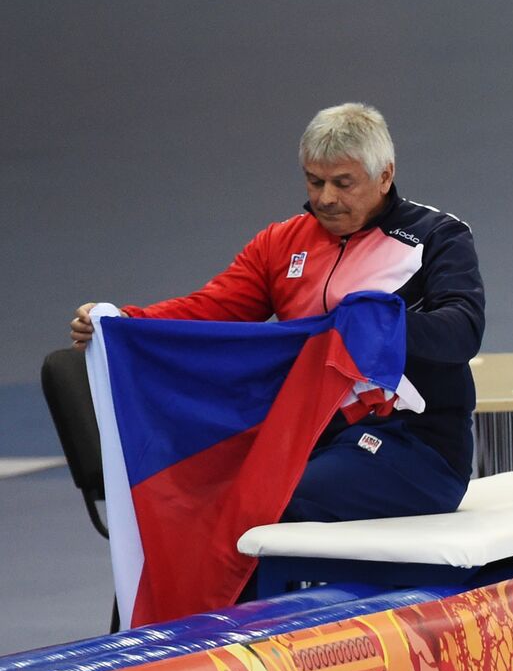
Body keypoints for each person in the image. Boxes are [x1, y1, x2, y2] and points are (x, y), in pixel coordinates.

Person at [70, 102, 485, 529]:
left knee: (270, 502)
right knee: (201, 498)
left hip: (417, 448)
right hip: (309, 437)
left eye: (343, 183)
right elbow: (212, 308)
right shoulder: (280, 243)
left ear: (384, 176)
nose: (325, 198)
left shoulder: (435, 237)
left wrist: (384, 326)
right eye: (314, 180)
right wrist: (123, 320)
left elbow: (463, 330)